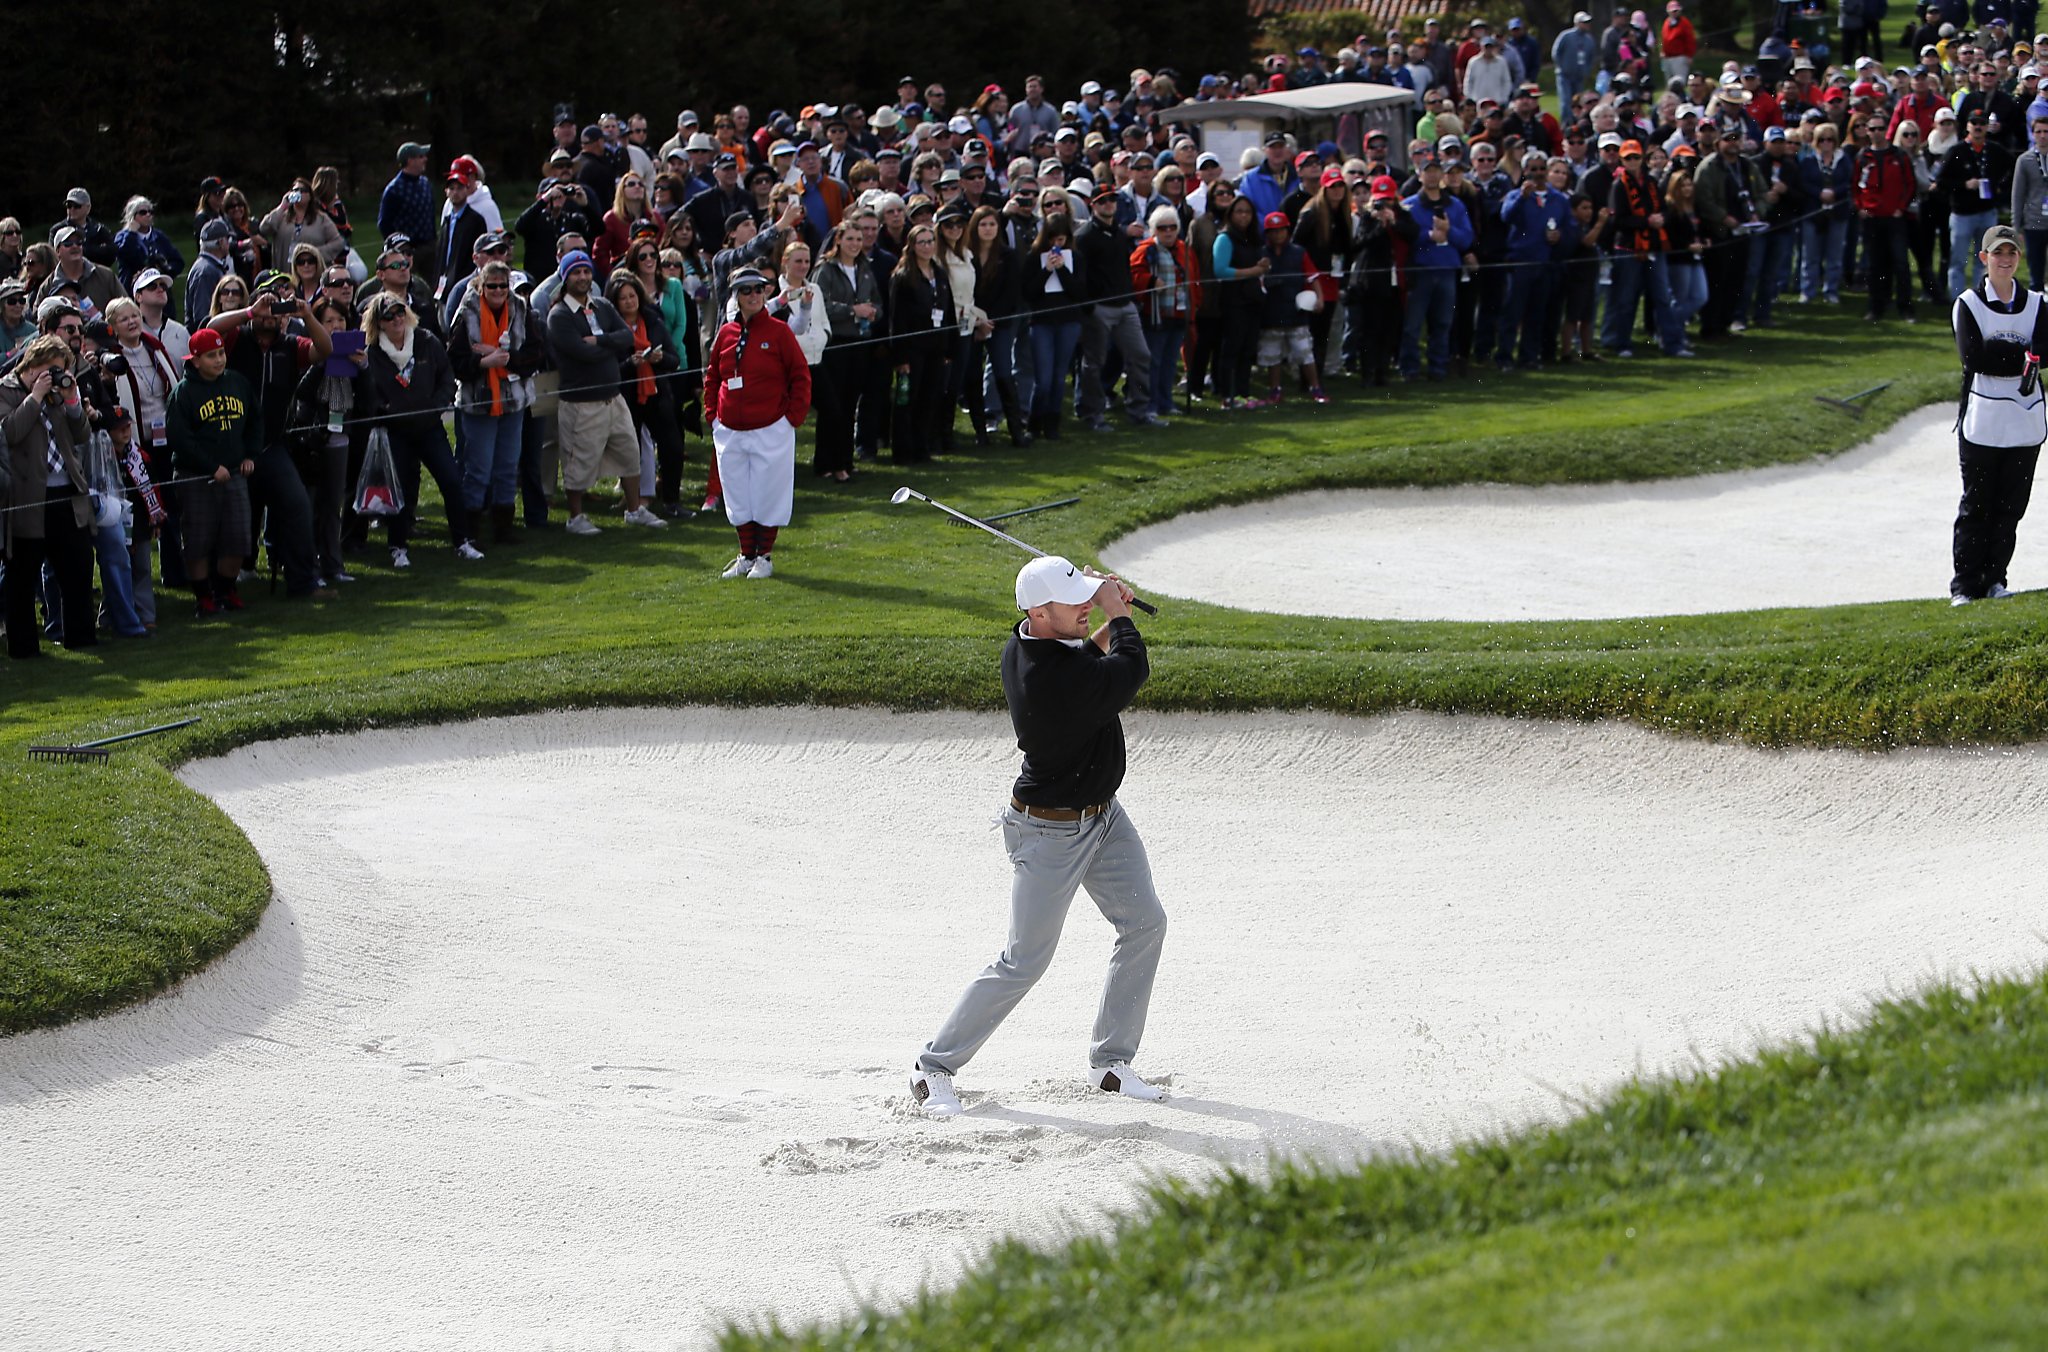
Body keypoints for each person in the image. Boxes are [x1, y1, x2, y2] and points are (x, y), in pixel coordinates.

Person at [908, 554, 1168, 1118]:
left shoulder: (1032, 642)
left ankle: (1110, 1064)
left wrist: (1097, 613)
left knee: (1145, 922)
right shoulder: (1051, 678)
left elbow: (1087, 658)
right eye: (1072, 603)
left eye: (1082, 598)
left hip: (1104, 820)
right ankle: (933, 1068)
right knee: (1023, 960)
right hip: (1049, 834)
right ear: (1038, 611)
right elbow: (1129, 669)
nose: (1082, 608)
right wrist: (1117, 614)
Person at [1950, 224, 2048, 605]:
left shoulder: (2037, 303)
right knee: (1977, 504)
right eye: (1998, 253)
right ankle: (1964, 585)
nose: (2005, 260)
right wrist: (2024, 358)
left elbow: (2045, 350)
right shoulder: (1968, 304)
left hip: (2024, 422)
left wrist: (2016, 357)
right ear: (1984, 259)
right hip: (1982, 420)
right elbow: (1974, 357)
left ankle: (1995, 579)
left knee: (2010, 507)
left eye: (2011, 254)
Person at [541, 251, 667, 535]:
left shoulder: (601, 305)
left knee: (630, 453)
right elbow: (581, 353)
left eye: (586, 272)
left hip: (613, 397)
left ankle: (634, 510)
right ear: (565, 277)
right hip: (581, 402)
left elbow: (625, 337)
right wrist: (609, 347)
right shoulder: (559, 315)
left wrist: (600, 340)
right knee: (578, 461)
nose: (583, 277)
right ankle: (575, 517)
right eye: (576, 272)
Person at [703, 266, 811, 579]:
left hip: (771, 425)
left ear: (765, 293)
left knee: (769, 492)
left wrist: (792, 418)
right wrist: (712, 415)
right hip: (730, 426)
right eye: (745, 290)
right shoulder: (726, 332)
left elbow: (800, 376)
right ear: (736, 295)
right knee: (737, 494)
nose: (752, 295)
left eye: (758, 289)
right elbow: (713, 375)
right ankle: (745, 554)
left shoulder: (779, 331)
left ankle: (764, 556)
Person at [1, 335, 97, 655]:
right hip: (28, 498)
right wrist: (35, 397)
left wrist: (71, 401)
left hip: (67, 493)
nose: (56, 376)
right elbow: (10, 432)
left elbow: (82, 434)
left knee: (79, 568)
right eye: (52, 369)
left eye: (61, 369)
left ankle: (81, 638)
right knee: (22, 577)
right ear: (33, 364)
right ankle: (25, 648)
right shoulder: (6, 389)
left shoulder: (60, 391)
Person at [165, 327, 261, 617]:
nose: (219, 360)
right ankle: (203, 596)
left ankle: (226, 590)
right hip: (195, 476)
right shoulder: (183, 393)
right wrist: (210, 466)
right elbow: (180, 439)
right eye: (211, 356)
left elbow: (255, 420)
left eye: (221, 354)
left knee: (238, 536)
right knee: (198, 540)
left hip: (234, 472)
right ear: (195, 360)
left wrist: (249, 455)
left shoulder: (237, 383)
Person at [448, 260, 543, 545]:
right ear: (481, 286)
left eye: (503, 285)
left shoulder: (522, 309)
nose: (499, 290)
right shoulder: (466, 313)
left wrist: (507, 357)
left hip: (514, 402)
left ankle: (503, 529)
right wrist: (483, 361)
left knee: (507, 465)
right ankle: (469, 532)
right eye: (492, 286)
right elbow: (455, 361)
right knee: (478, 468)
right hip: (479, 404)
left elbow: (536, 353)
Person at [605, 272, 687, 521]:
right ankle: (633, 502)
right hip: (627, 398)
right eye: (623, 298)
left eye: (632, 296)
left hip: (657, 395)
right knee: (631, 451)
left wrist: (660, 359)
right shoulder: (611, 329)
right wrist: (631, 362)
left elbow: (674, 360)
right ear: (615, 303)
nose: (629, 301)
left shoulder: (654, 322)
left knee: (672, 447)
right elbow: (609, 370)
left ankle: (672, 501)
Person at [887, 222, 956, 464]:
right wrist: (901, 357)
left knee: (930, 397)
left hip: (935, 346)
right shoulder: (903, 276)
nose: (927, 247)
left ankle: (922, 447)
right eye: (922, 242)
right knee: (908, 400)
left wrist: (949, 347)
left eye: (930, 241)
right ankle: (903, 451)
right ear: (912, 246)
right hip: (912, 348)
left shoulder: (939, 273)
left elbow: (948, 310)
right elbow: (897, 318)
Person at [1022, 214, 1083, 440]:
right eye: (1052, 240)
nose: (1056, 245)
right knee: (1043, 380)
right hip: (1042, 324)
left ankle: (1053, 424)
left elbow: (1078, 292)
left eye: (1061, 240)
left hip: (1068, 322)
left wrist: (1063, 270)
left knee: (1059, 378)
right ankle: (1034, 423)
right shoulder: (1033, 258)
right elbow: (1029, 293)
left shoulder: (1075, 257)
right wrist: (1046, 270)